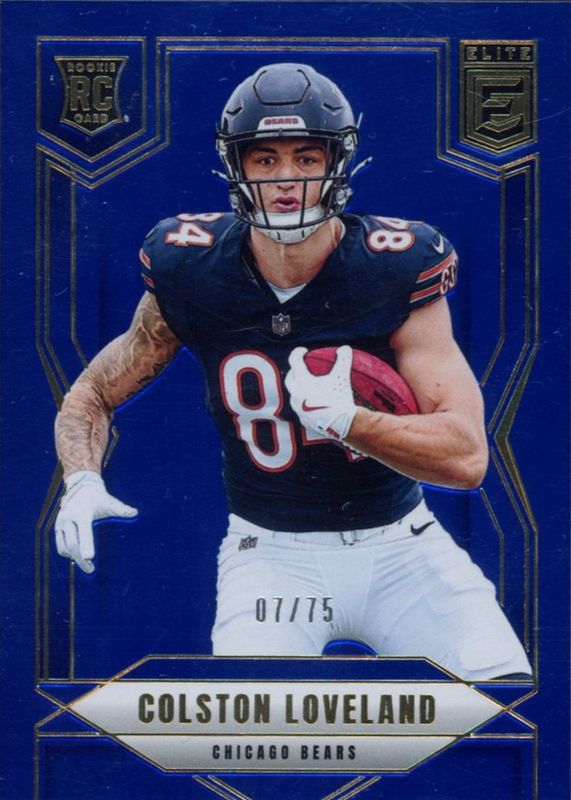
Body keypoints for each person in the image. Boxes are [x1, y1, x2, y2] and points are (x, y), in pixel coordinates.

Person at [54, 63, 532, 680]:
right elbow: (94, 390)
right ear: (236, 167)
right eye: (266, 159)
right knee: (259, 723)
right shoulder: (189, 267)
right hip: (271, 558)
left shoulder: (393, 265)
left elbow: (467, 457)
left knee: (506, 705)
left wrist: (349, 421)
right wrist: (81, 480)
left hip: (404, 549)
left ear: (338, 163)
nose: (287, 179)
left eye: (307, 158)